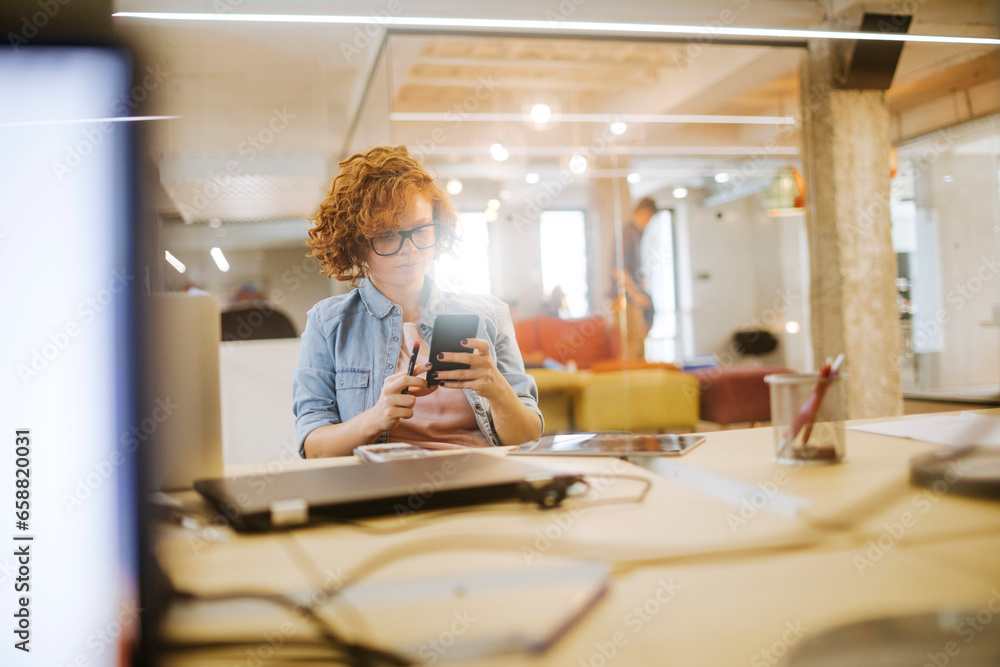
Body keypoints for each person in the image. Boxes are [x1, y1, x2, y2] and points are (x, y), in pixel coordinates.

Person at [293, 145, 543, 458]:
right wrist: (376, 416)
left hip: (477, 476)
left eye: (421, 230)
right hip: (383, 485)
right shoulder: (329, 323)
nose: (409, 248)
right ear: (356, 245)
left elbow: (528, 438)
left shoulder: (489, 314)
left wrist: (497, 390)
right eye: (387, 235)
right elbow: (314, 447)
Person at [610, 197, 656, 359]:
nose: (648, 222)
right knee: (632, 344)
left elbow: (632, 266)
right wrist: (635, 294)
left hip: (632, 296)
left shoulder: (637, 233)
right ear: (645, 213)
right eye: (649, 218)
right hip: (624, 297)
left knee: (639, 344)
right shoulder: (627, 233)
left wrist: (640, 287)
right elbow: (618, 269)